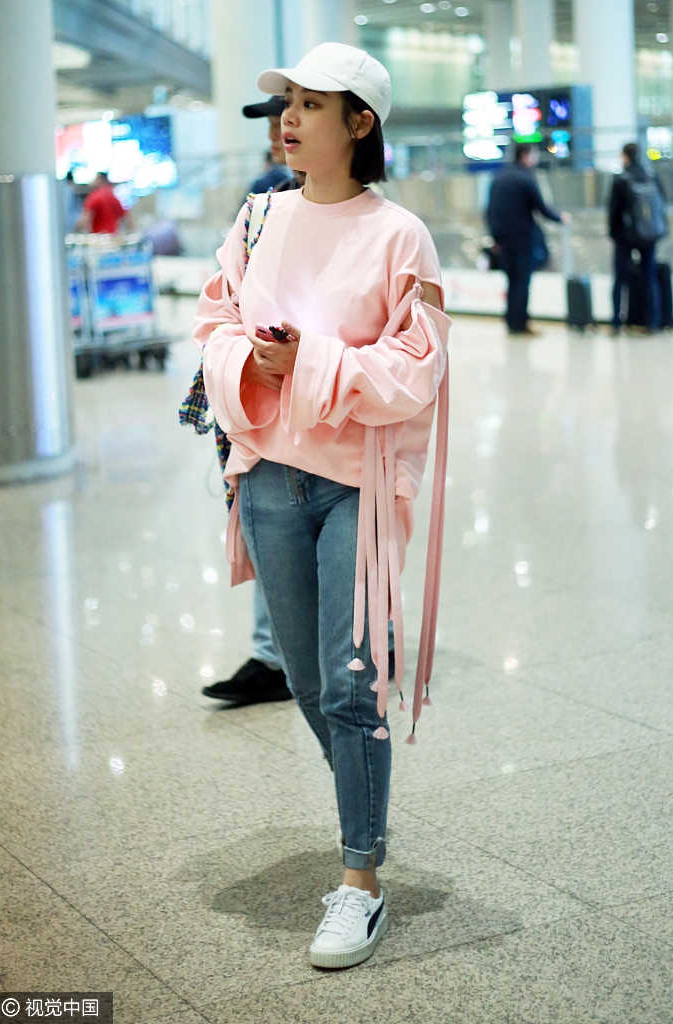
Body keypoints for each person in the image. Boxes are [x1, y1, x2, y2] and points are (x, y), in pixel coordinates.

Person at [194, 42, 450, 968]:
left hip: (356, 486)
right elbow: (214, 321)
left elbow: (417, 367)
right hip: (268, 474)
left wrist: (313, 363)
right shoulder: (258, 218)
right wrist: (252, 360)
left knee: (350, 682)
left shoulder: (399, 235)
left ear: (360, 122)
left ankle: (360, 879)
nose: (289, 120)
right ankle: (364, 804)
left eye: (309, 104)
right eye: (286, 104)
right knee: (305, 680)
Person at [201, 96, 303, 707]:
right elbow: (224, 302)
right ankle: (273, 655)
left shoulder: (369, 217)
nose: (278, 130)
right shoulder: (262, 205)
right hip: (263, 398)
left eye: (296, 112)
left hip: (322, 402)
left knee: (351, 529)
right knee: (270, 526)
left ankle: (377, 637)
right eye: (274, 121)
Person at [487, 143, 571, 336]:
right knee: (522, 283)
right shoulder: (526, 178)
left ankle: (511, 322)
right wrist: (560, 218)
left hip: (503, 240)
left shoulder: (498, 177)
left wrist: (495, 238)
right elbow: (541, 207)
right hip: (523, 239)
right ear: (525, 156)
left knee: (511, 281)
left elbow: (490, 210)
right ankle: (520, 324)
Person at [609, 141, 667, 334]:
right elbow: (661, 203)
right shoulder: (651, 175)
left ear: (625, 156)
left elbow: (614, 210)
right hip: (649, 235)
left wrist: (613, 233)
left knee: (620, 280)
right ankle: (653, 323)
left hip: (625, 236)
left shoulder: (621, 178)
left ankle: (616, 323)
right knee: (650, 277)